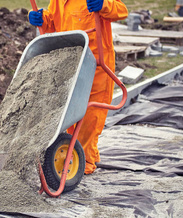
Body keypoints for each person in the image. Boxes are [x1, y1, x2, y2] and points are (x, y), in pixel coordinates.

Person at [28, 0, 128, 174]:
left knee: (91, 117)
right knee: (72, 113)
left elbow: (121, 11)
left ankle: (85, 162)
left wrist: (104, 5)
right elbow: (53, 23)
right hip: (72, 63)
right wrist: (41, 19)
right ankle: (80, 154)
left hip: (97, 64)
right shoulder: (59, 1)